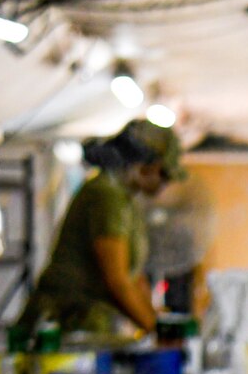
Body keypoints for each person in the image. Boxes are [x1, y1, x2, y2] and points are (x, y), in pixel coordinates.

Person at [20, 119, 184, 337]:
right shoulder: (106, 196)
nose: (165, 184)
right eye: (163, 175)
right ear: (144, 166)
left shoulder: (127, 200)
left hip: (85, 326)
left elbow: (132, 275)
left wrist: (155, 319)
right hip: (62, 325)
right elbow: (117, 280)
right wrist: (156, 331)